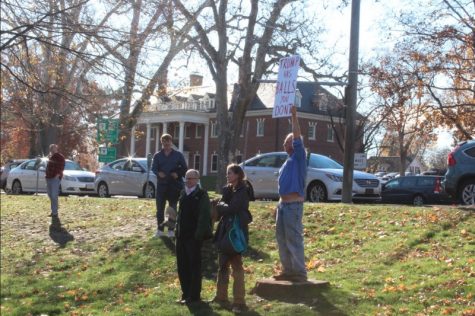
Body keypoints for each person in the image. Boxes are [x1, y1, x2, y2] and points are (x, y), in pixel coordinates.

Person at [211, 164, 253, 314]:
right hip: (224, 231)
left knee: (237, 267)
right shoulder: (228, 189)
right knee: (222, 265)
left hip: (236, 233)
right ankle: (221, 297)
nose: (227, 175)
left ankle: (239, 302)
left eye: (230, 173)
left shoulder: (243, 190)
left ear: (237, 175)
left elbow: (231, 209)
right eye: (227, 173)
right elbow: (223, 208)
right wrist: (223, 202)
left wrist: (221, 204)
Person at [274, 105, 308, 282]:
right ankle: (288, 270)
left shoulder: (299, 157)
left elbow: (296, 137)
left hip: (294, 205)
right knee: (282, 238)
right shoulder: (288, 161)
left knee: (293, 238)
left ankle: (300, 272)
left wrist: (294, 116)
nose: (285, 144)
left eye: (287, 142)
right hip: (283, 205)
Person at [175, 169, 212, 305]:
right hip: (181, 236)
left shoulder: (201, 195)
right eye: (187, 178)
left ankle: (194, 296)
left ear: (197, 180)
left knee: (194, 267)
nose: (188, 181)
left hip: (194, 237)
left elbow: (204, 216)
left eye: (191, 178)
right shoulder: (183, 193)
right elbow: (179, 214)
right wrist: (176, 231)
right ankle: (185, 294)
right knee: (182, 266)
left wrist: (198, 235)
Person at [151, 133, 187, 238]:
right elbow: (154, 168)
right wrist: (158, 173)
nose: (166, 143)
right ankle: (160, 230)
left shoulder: (178, 155)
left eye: (168, 141)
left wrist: (178, 174)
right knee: (160, 209)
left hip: (174, 185)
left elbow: (184, 168)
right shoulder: (157, 155)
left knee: (172, 208)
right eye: (164, 142)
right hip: (162, 185)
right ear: (161, 142)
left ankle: (171, 230)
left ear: (171, 142)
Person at [45, 144, 65, 218]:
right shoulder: (50, 157)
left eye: (54, 148)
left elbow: (62, 166)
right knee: (50, 194)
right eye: (51, 148)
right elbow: (48, 167)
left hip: (55, 178)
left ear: (56, 148)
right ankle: (53, 210)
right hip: (48, 177)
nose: (52, 149)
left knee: (54, 195)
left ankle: (55, 212)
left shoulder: (60, 157)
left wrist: (58, 174)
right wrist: (46, 175)